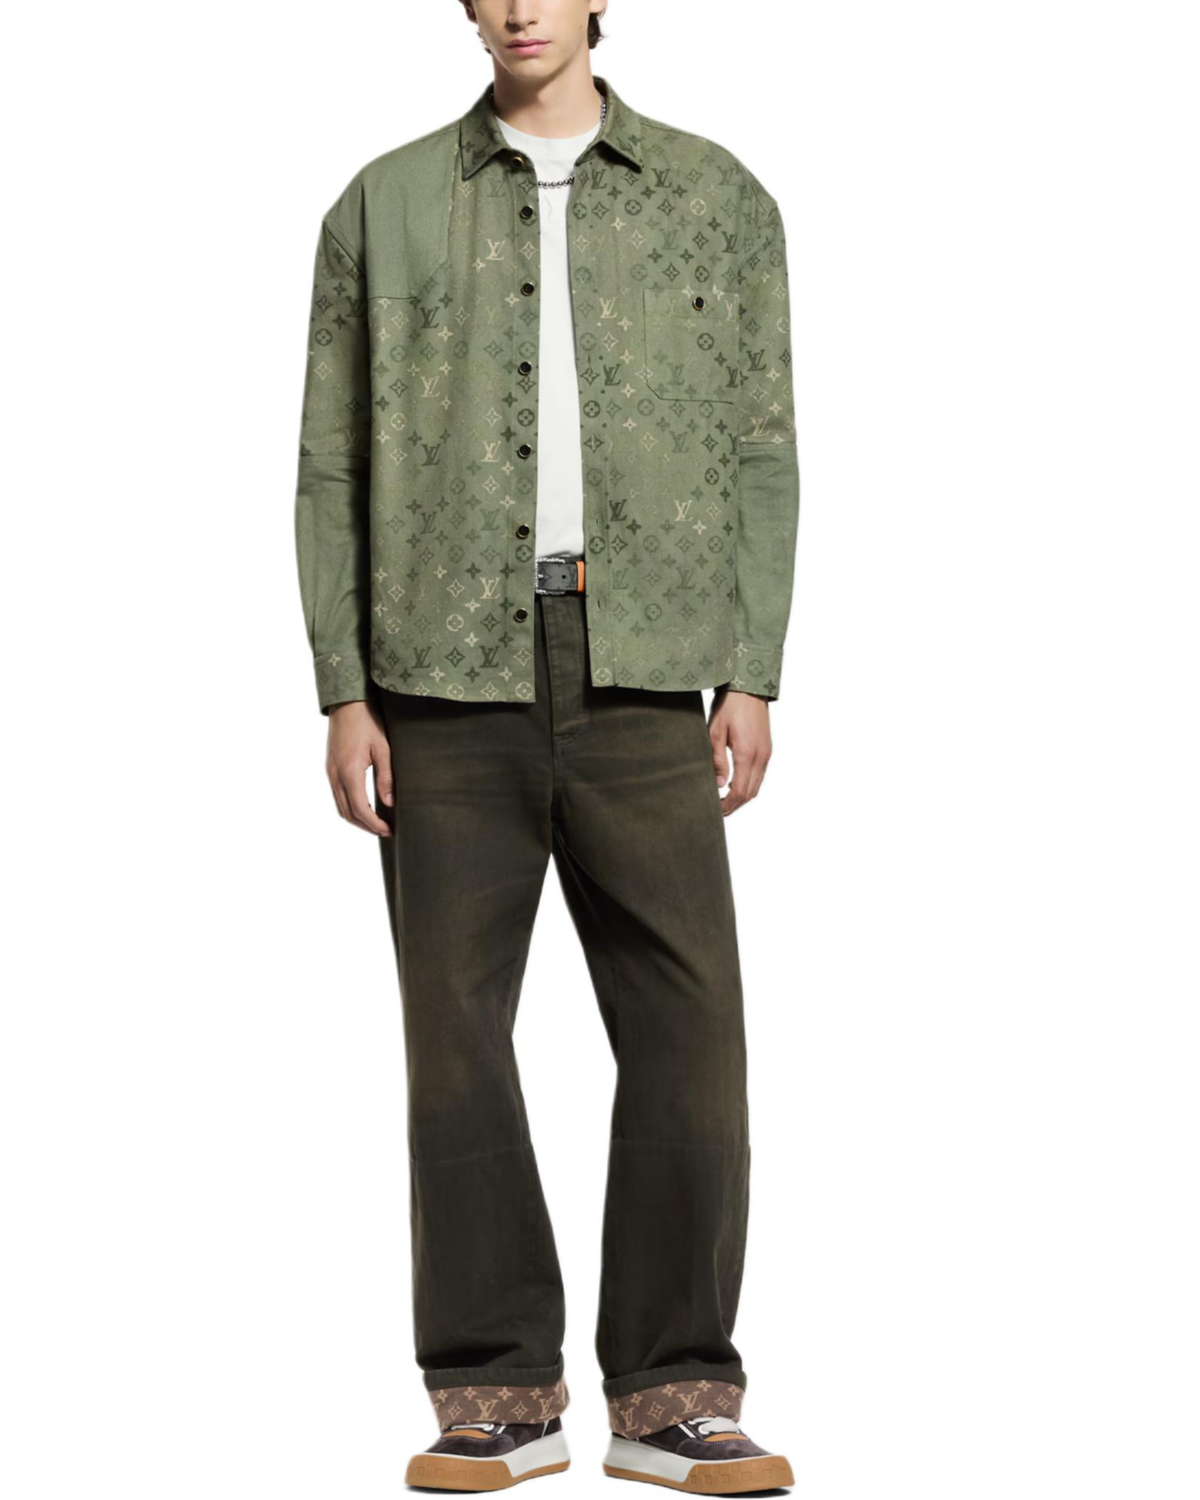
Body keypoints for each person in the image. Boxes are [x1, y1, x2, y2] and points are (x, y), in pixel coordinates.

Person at [293, 1, 800, 1489]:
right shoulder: (382, 204)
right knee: (454, 1043)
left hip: (648, 663)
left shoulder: (717, 196)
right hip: (439, 670)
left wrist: (753, 666)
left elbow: (763, 439)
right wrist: (343, 687)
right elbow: (329, 459)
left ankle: (675, 1392)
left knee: (692, 1035)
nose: (521, 6)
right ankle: (495, 1393)